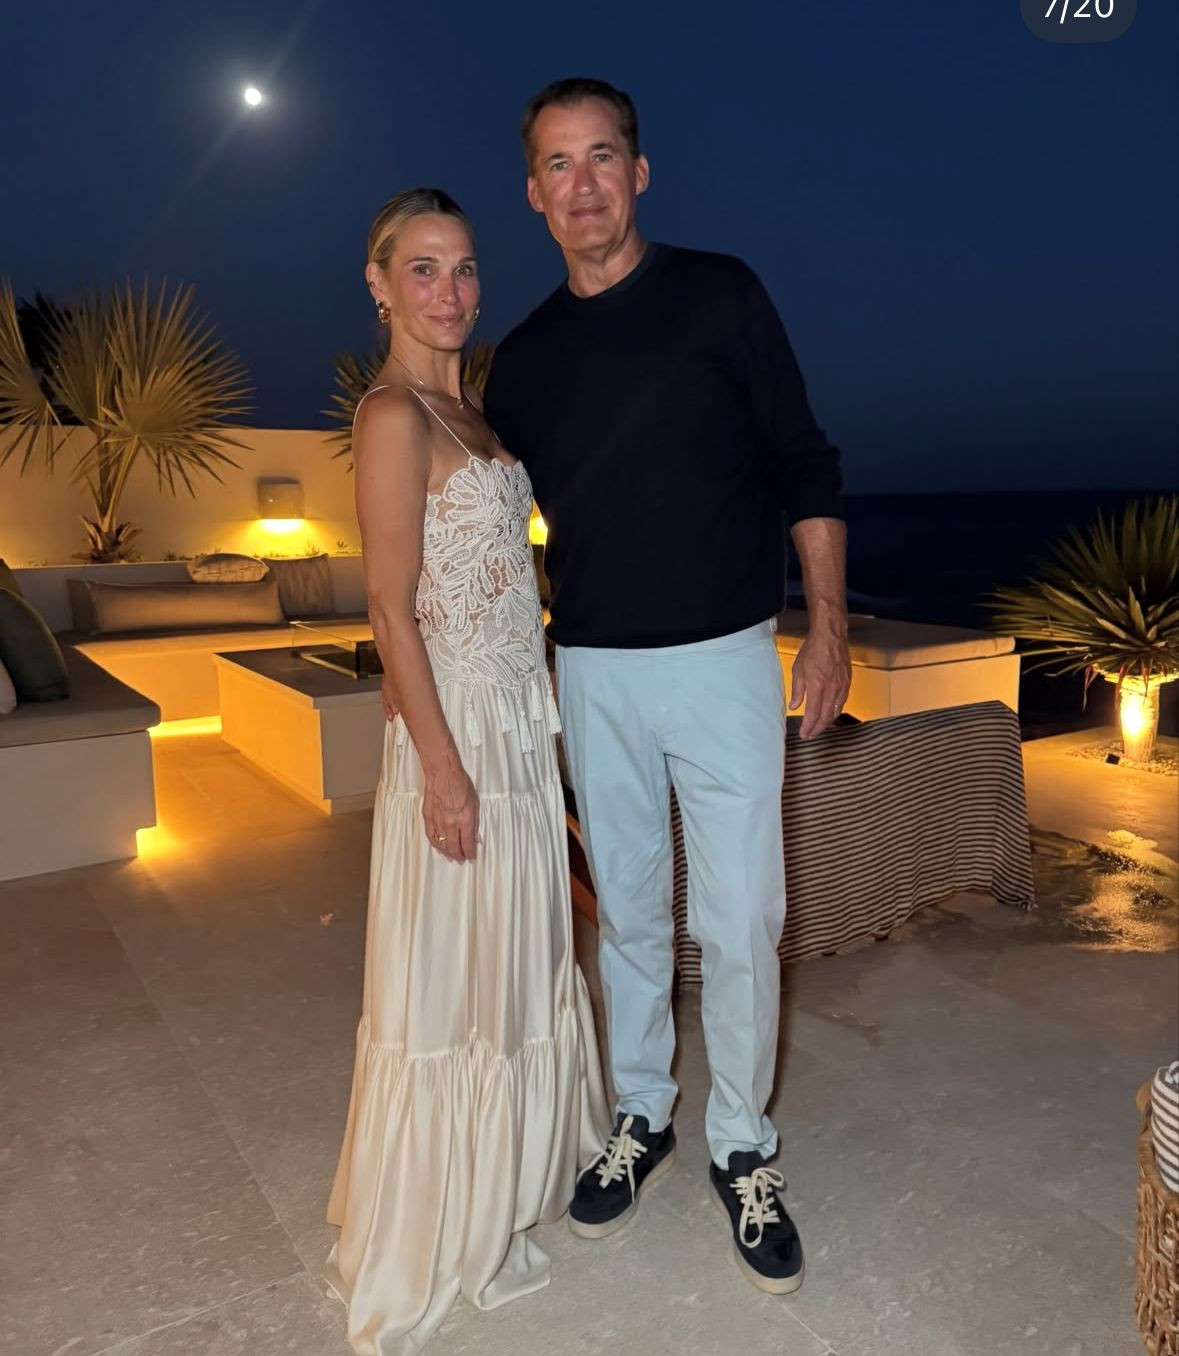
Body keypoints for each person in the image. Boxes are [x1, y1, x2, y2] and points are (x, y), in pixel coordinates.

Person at [482, 78, 851, 1296]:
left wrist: (828, 628)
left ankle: (742, 1143)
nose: (583, 183)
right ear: (533, 195)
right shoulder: (522, 363)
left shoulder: (721, 294)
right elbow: (490, 525)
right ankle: (641, 1115)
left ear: (639, 173)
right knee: (630, 916)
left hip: (725, 660)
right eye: (558, 164)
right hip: (592, 669)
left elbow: (805, 461)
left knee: (741, 919)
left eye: (603, 156)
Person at [324, 187, 610, 1356]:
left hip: (515, 723)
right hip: (462, 736)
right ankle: (442, 1216)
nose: (451, 292)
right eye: (423, 269)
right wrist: (442, 772)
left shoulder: (475, 414)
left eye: (466, 268)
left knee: (521, 958)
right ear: (379, 285)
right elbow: (390, 607)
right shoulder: (392, 414)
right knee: (454, 977)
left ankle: (518, 1173)